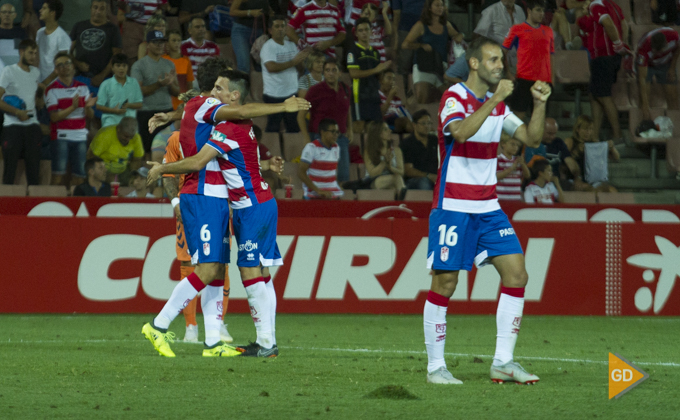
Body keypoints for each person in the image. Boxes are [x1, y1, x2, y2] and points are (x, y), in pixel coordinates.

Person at [140, 59, 311, 358]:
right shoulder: (219, 118)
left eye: (222, 88)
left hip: (247, 205)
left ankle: (252, 343)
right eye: (215, 87)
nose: (216, 93)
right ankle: (179, 330)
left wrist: (164, 162)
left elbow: (229, 121)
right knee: (224, 270)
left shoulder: (225, 125)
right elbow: (216, 138)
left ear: (232, 95)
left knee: (242, 271)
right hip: (222, 200)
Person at [424, 36, 551, 385]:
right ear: (475, 63)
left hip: (488, 206)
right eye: (494, 60)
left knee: (517, 275)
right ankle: (436, 367)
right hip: (453, 205)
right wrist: (494, 98)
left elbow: (531, 138)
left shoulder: (499, 106)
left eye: (502, 61)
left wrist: (539, 104)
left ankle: (503, 362)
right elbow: (461, 133)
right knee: (445, 282)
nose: (501, 65)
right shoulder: (454, 97)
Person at [578, 0, 629, 143]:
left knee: (604, 96)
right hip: (610, 56)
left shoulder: (596, 4)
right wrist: (621, 45)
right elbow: (624, 25)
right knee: (594, 95)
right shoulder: (614, 5)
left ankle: (618, 136)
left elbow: (607, 22)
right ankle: (594, 135)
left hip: (603, 56)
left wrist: (618, 44)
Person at [45, 52, 96, 186]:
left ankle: (76, 205)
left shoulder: (83, 87)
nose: (64, 67)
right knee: (58, 175)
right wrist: (72, 108)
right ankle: (51, 204)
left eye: (67, 63)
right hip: (60, 136)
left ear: (73, 66)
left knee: (80, 176)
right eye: (60, 65)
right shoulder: (51, 90)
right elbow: (54, 117)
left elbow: (89, 115)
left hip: (80, 136)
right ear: (56, 70)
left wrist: (88, 107)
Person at [298, 59, 352, 182]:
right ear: (324, 73)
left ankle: (340, 200)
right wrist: (306, 138)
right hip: (319, 138)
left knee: (344, 176)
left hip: (341, 138)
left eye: (334, 70)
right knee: (319, 176)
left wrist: (351, 129)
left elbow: (348, 110)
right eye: (327, 70)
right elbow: (300, 116)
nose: (330, 73)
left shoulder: (346, 89)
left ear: (340, 73)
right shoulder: (315, 90)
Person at [402, 0, 463, 104]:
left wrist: (459, 37)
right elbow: (405, 44)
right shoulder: (421, 25)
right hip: (424, 65)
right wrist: (420, 45)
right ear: (429, 8)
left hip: (440, 65)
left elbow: (459, 35)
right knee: (422, 98)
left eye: (442, 5)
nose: (440, 8)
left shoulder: (446, 25)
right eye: (437, 5)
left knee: (450, 99)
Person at [502, 0, 554, 120]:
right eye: (538, 10)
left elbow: (552, 56)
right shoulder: (517, 29)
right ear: (529, 11)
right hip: (524, 80)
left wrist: (552, 79)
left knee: (541, 120)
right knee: (518, 119)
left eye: (543, 11)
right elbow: (503, 51)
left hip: (544, 82)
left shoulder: (548, 31)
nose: (541, 14)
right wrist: (508, 73)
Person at [0, 39, 41, 185]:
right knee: (9, 170)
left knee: (34, 171)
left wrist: (40, 99)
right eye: (30, 52)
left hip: (32, 126)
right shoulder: (8, 71)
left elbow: (35, 91)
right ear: (21, 52)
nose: (33, 56)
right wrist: (17, 112)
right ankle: (5, 206)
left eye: (35, 53)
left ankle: (36, 205)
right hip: (12, 126)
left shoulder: (36, 72)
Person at [260, 15, 310, 133]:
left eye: (283, 26)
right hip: (274, 95)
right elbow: (271, 67)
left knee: (294, 128)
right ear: (270, 30)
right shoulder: (268, 47)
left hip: (292, 93)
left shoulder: (292, 45)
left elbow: (301, 70)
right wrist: (293, 62)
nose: (281, 29)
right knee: (273, 129)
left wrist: (300, 62)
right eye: (277, 26)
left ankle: (291, 152)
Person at [131, 30, 179, 151]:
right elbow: (138, 92)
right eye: (155, 42)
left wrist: (169, 84)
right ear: (147, 45)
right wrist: (158, 84)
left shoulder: (170, 64)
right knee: (147, 149)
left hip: (167, 111)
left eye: (161, 42)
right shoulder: (139, 65)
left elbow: (177, 92)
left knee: (168, 149)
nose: (159, 45)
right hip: (146, 112)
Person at [347, 17, 392, 131]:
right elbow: (353, 74)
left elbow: (378, 75)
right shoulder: (353, 51)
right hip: (359, 95)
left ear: (371, 31)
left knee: (377, 127)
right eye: (360, 30)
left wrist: (383, 75)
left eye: (366, 30)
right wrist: (376, 70)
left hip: (374, 95)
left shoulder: (375, 53)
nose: (364, 33)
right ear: (356, 33)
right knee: (360, 127)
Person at [526, 117, 589, 190]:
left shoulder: (558, 143)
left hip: (555, 181)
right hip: (536, 181)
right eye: (549, 134)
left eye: (554, 134)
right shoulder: (533, 144)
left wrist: (577, 178)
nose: (553, 137)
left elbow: (571, 163)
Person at [70, 0, 122, 88]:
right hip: (80, 77)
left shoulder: (113, 29)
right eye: (95, 7)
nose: (98, 11)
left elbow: (116, 55)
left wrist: (102, 75)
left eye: (102, 8)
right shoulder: (79, 26)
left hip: (104, 79)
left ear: (107, 11)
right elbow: (66, 51)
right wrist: (77, 63)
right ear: (90, 9)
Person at [564, 114, 619, 192]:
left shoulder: (594, 143)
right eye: (585, 129)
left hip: (593, 180)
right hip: (575, 179)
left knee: (612, 191)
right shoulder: (570, 142)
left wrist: (612, 147)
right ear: (577, 129)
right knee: (591, 189)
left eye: (590, 129)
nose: (588, 132)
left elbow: (616, 157)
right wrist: (576, 152)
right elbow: (563, 161)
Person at [635, 27, 680, 121]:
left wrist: (672, 68)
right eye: (656, 51)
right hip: (648, 65)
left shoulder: (674, 36)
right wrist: (645, 105)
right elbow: (643, 78)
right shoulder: (643, 48)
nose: (658, 54)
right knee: (644, 97)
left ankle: (674, 124)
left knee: (673, 97)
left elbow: (678, 49)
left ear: (666, 44)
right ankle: (644, 121)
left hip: (666, 63)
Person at [474, 0, 525, 73]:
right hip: (496, 62)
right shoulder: (491, 11)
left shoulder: (520, 11)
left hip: (517, 61)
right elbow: (478, 35)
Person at [89, 117, 144, 183]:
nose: (128, 140)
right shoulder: (104, 135)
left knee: (140, 182)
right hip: (105, 169)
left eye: (131, 137)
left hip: (124, 168)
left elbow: (137, 160)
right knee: (113, 182)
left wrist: (134, 177)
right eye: (126, 136)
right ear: (118, 129)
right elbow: (91, 157)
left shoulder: (136, 138)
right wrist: (102, 172)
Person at [298, 118, 344, 199]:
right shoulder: (311, 147)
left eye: (337, 132)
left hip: (332, 192)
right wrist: (318, 190)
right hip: (314, 192)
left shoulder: (336, 147)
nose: (336, 135)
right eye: (333, 131)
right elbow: (301, 173)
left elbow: (333, 171)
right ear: (323, 132)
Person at [96, 53, 144, 128]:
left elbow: (140, 104)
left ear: (128, 67)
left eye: (124, 66)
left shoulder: (134, 83)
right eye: (118, 66)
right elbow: (99, 106)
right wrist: (114, 111)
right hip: (110, 123)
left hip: (129, 125)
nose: (121, 68)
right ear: (112, 67)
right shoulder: (106, 84)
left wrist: (128, 105)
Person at [363, 120, 404, 196]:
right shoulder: (369, 151)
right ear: (378, 133)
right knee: (396, 179)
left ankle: (398, 204)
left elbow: (401, 172)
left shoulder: (396, 150)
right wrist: (384, 162)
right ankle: (405, 204)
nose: (390, 130)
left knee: (393, 186)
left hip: (391, 179)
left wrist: (390, 167)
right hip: (373, 181)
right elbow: (372, 173)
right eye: (385, 129)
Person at [229, 0, 272, 73]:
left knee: (261, 65)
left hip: (259, 32)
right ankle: (242, 83)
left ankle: (258, 84)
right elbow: (232, 11)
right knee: (244, 65)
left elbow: (267, 10)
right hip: (241, 31)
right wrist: (250, 12)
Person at [401, 109, 438, 190]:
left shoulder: (435, 140)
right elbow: (408, 170)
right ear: (414, 125)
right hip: (415, 180)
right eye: (423, 123)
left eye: (429, 123)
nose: (427, 126)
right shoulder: (407, 143)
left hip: (436, 177)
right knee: (423, 182)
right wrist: (428, 175)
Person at [35, 0, 71, 85]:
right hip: (39, 80)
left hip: (55, 83)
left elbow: (62, 65)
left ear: (52, 12)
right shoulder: (39, 33)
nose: (40, 10)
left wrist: (45, 83)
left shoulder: (62, 36)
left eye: (44, 8)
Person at [163, 29, 195, 110]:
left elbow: (189, 84)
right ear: (167, 42)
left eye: (179, 40)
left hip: (181, 103)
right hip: (166, 102)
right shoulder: (163, 59)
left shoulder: (186, 60)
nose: (177, 43)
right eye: (174, 40)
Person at [392, 0, 425, 75]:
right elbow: (396, 15)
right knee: (404, 64)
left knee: (423, 65)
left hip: (424, 29)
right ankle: (404, 86)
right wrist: (396, 40)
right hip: (405, 29)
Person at [497, 133, 530, 201]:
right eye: (512, 144)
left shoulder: (518, 160)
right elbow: (497, 177)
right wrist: (512, 168)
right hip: (501, 198)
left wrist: (523, 164)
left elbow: (527, 176)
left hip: (516, 198)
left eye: (517, 145)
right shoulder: (497, 159)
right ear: (503, 144)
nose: (516, 147)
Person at [379, 69, 412, 133]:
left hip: (398, 121)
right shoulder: (377, 96)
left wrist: (407, 104)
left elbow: (402, 113)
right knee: (404, 121)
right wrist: (390, 97)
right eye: (389, 78)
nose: (392, 82)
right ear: (381, 80)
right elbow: (380, 114)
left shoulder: (397, 99)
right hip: (385, 122)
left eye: (393, 79)